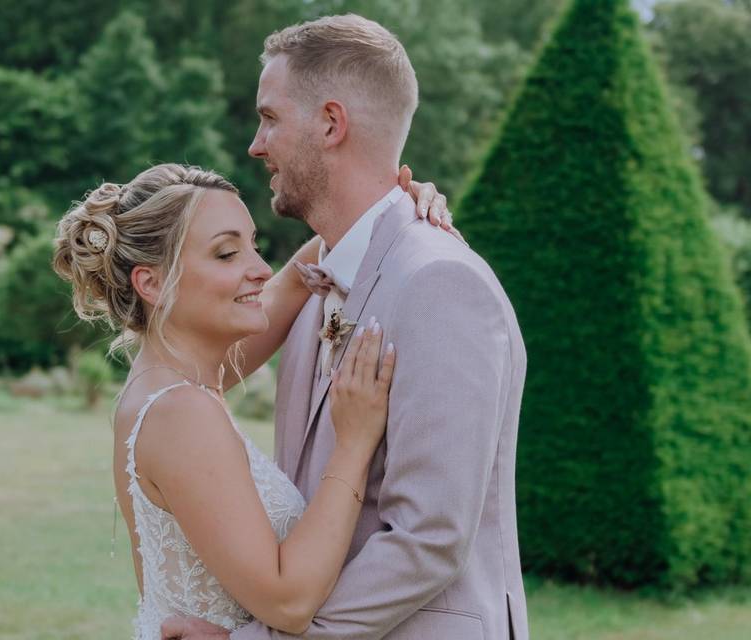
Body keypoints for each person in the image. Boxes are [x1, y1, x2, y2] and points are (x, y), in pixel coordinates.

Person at [163, 13, 529, 640]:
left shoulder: (442, 283)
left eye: (270, 117)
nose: (255, 143)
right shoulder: (319, 287)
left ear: (331, 124)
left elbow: (428, 538)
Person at [51, 163, 450, 639]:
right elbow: (290, 601)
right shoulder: (181, 413)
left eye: (253, 245)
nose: (260, 269)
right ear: (151, 283)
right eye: (225, 254)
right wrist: (355, 443)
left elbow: (297, 278)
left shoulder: (175, 377)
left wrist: (394, 209)